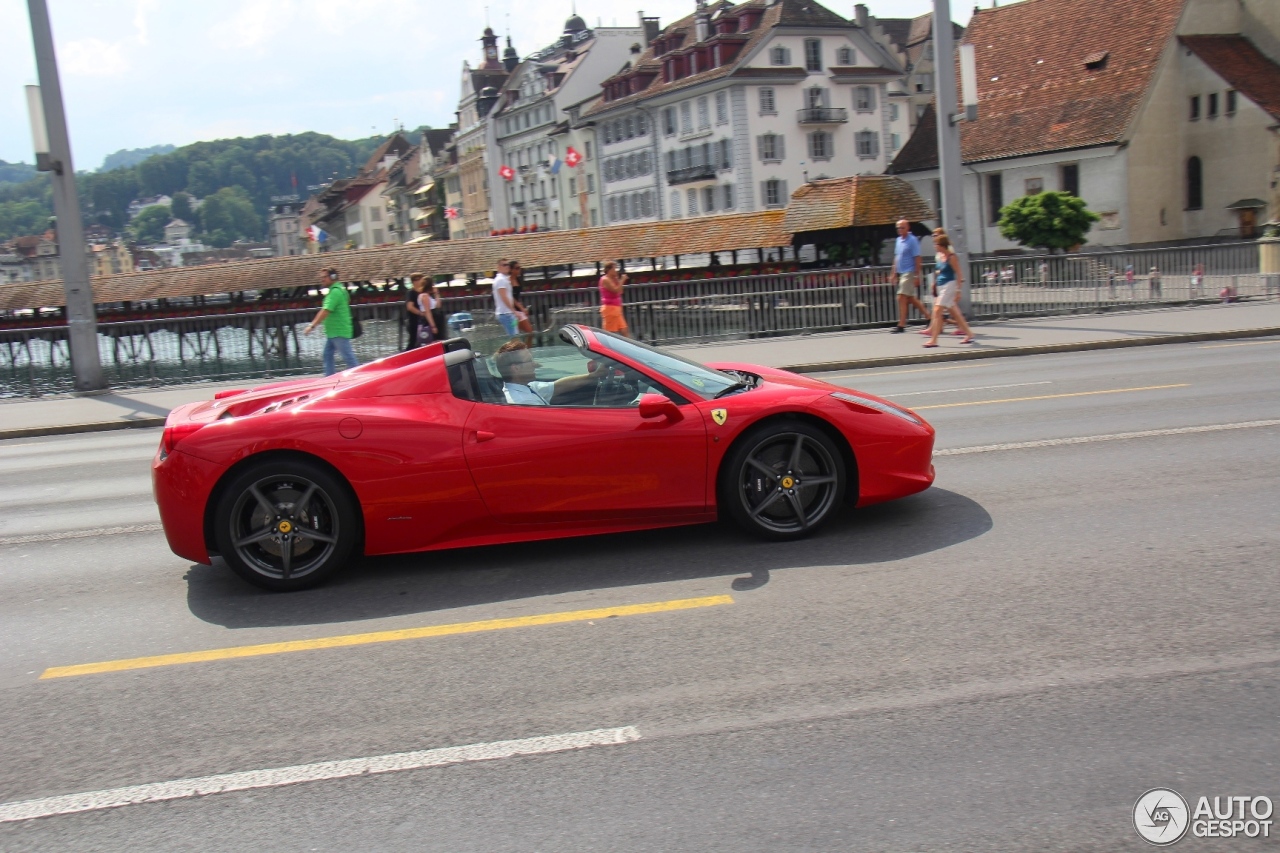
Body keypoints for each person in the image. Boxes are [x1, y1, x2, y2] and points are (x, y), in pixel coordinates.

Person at [492, 340, 607, 406]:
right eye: (529, 361)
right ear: (515, 368)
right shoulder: (524, 402)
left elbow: (558, 386)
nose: (535, 364)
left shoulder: (525, 387)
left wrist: (594, 376)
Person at [304, 267, 359, 375]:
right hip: (335, 331)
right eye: (321, 277)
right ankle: (329, 378)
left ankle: (361, 379)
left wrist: (312, 326)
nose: (322, 279)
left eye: (325, 277)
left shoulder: (335, 293)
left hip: (338, 331)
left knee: (349, 358)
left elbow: (325, 311)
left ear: (333, 277)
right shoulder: (340, 290)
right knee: (327, 355)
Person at [924, 235, 974, 347]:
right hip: (941, 285)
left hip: (949, 285)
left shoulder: (952, 257)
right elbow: (940, 270)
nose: (934, 246)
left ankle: (934, 340)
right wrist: (936, 279)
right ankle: (969, 334)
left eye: (936, 244)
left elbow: (959, 274)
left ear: (941, 245)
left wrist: (958, 290)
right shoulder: (941, 256)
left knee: (937, 310)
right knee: (955, 312)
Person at [891, 219, 927, 333]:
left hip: (910, 271)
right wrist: (893, 273)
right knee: (910, 298)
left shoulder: (912, 240)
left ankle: (901, 324)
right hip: (902, 272)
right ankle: (929, 317)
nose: (900, 230)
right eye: (898, 228)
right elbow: (897, 258)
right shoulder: (898, 240)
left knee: (901, 297)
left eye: (902, 227)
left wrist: (917, 275)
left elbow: (917, 258)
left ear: (908, 228)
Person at [598, 260, 631, 337]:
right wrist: (622, 280)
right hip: (610, 309)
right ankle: (605, 348)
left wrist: (617, 279)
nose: (616, 270)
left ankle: (629, 347)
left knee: (624, 330)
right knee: (609, 333)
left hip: (616, 309)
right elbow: (615, 290)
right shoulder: (605, 279)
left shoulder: (612, 279)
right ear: (609, 270)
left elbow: (620, 291)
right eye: (614, 268)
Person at [492, 259, 522, 336]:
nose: (507, 266)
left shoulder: (504, 279)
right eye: (504, 265)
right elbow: (504, 297)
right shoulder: (500, 280)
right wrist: (514, 311)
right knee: (514, 338)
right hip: (506, 313)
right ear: (498, 267)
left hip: (508, 313)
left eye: (508, 265)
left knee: (514, 337)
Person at [509, 260, 535, 340]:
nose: (519, 270)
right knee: (516, 334)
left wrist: (522, 308)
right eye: (517, 268)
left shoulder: (518, 280)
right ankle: (518, 350)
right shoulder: (507, 281)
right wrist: (522, 308)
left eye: (519, 268)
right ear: (511, 270)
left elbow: (516, 297)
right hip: (512, 311)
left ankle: (526, 351)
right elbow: (511, 297)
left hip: (518, 311)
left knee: (529, 333)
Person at [404, 274, 426, 349]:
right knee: (413, 342)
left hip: (422, 321)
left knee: (420, 342)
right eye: (418, 280)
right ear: (414, 281)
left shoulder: (422, 292)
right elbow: (410, 307)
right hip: (413, 321)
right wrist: (420, 313)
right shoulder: (411, 293)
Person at [417, 276, 440, 345]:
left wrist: (436, 294)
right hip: (428, 321)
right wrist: (433, 326)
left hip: (434, 318)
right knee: (430, 340)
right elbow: (427, 312)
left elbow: (438, 305)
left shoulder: (429, 296)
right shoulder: (424, 296)